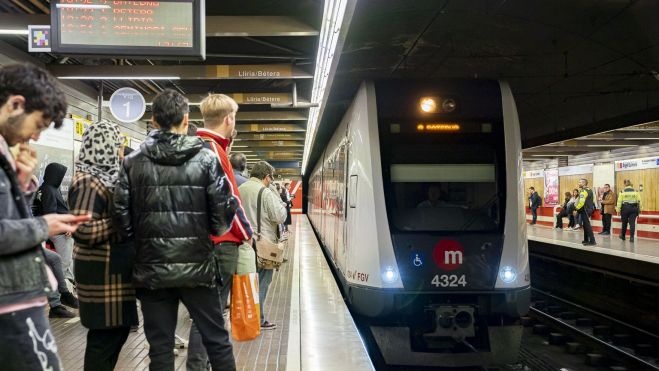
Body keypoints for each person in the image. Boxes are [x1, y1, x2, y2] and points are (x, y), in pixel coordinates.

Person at [114, 89, 238, 371]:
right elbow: (221, 221)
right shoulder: (206, 160)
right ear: (186, 119)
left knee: (160, 350)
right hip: (198, 268)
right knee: (217, 341)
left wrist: (145, 244)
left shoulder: (132, 163)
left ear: (153, 121)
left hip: (152, 271)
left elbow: (120, 219)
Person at [0, 63, 90, 371]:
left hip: (18, 298)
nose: (36, 136)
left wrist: (23, 186)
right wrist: (43, 225)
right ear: (16, 104)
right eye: (39, 124)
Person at [187, 94, 253, 371]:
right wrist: (248, 233)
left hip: (201, 242)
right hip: (219, 243)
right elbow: (229, 200)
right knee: (210, 315)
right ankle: (198, 367)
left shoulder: (195, 146)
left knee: (207, 314)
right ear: (229, 119)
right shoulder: (213, 150)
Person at [69, 121, 138, 371]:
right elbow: (82, 230)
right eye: (117, 145)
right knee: (103, 339)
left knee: (115, 334)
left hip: (111, 269)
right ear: (103, 147)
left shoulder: (106, 179)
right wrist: (121, 220)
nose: (121, 151)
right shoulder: (88, 182)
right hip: (100, 273)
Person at [238, 161, 287, 330]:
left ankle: (245, 318)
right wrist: (279, 199)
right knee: (262, 282)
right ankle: (257, 319)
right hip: (262, 245)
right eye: (271, 179)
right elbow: (280, 216)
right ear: (267, 177)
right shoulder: (265, 192)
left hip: (242, 243)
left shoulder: (240, 189)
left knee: (247, 282)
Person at [34, 162, 75, 282]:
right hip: (60, 232)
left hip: (58, 230)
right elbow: (51, 214)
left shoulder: (45, 188)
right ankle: (59, 290)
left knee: (67, 261)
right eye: (60, 175)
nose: (61, 178)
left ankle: (68, 286)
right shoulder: (50, 190)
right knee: (64, 262)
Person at [574, 178, 596, 245]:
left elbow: (581, 202)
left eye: (580, 182)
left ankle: (592, 241)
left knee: (587, 225)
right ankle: (586, 240)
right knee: (585, 225)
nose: (579, 183)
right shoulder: (590, 190)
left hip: (585, 210)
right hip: (589, 209)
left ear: (584, 183)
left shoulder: (583, 191)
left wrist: (576, 209)